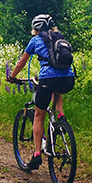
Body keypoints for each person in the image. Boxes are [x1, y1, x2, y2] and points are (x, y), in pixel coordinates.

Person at [7, 14, 75, 170]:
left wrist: (12, 77)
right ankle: (61, 117)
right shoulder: (60, 38)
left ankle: (37, 153)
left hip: (47, 79)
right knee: (58, 89)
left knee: (38, 115)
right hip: (69, 78)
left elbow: (22, 63)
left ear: (36, 28)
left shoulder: (35, 41)